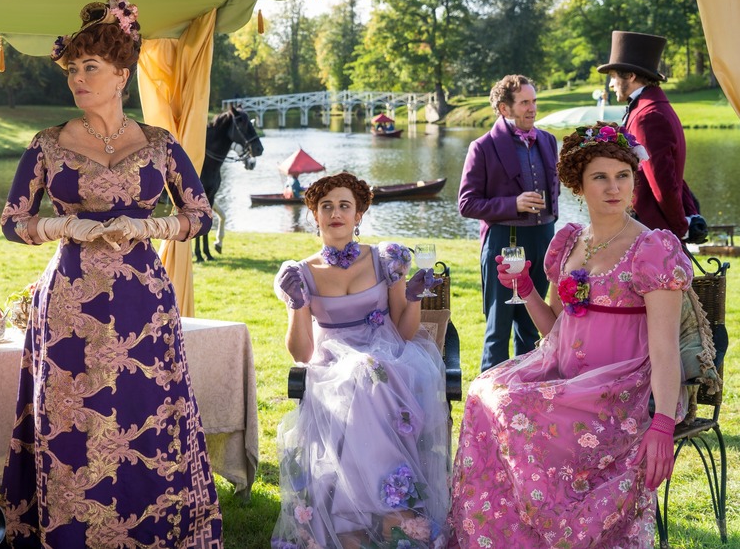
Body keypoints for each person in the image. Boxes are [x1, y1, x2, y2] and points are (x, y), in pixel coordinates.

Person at [0, 0, 222, 547]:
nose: (77, 78)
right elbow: (11, 220)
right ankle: (74, 533)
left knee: (144, 408)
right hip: (70, 300)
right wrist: (62, 229)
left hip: (143, 301)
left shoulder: (159, 144)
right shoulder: (48, 145)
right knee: (73, 416)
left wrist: (151, 228)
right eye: (72, 69)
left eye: (89, 67)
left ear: (122, 74)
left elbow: (200, 213)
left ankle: (153, 527)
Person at [448, 122, 691, 548]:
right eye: (600, 177)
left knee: (518, 412)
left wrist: (664, 425)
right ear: (579, 184)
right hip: (563, 372)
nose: (614, 187)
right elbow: (554, 329)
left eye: (623, 176)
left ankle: (554, 531)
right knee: (484, 391)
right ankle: (504, 535)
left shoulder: (652, 249)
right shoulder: (570, 242)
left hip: (616, 388)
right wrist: (524, 289)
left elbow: (665, 349)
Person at [270, 172, 451, 549]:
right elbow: (302, 353)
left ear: (359, 215)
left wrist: (414, 298)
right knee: (359, 375)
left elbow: (402, 332)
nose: (336, 213)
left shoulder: (386, 257)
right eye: (326, 206)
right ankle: (382, 515)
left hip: (387, 355)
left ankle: (360, 518)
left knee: (369, 372)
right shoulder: (299, 273)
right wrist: (297, 304)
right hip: (332, 363)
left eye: (344, 206)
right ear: (314, 216)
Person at [458, 74, 560, 372]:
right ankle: (486, 404)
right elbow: (467, 203)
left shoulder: (548, 140)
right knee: (498, 327)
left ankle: (524, 398)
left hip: (544, 239)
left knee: (533, 325)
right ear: (505, 109)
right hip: (505, 240)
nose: (532, 108)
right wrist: (512, 204)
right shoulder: (483, 147)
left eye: (534, 101)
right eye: (525, 102)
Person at [598, 30, 704, 243]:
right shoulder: (650, 108)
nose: (610, 84)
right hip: (653, 228)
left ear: (631, 75)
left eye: (613, 77)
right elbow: (671, 175)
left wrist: (680, 226)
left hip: (652, 232)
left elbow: (662, 181)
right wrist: (689, 215)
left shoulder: (648, 116)